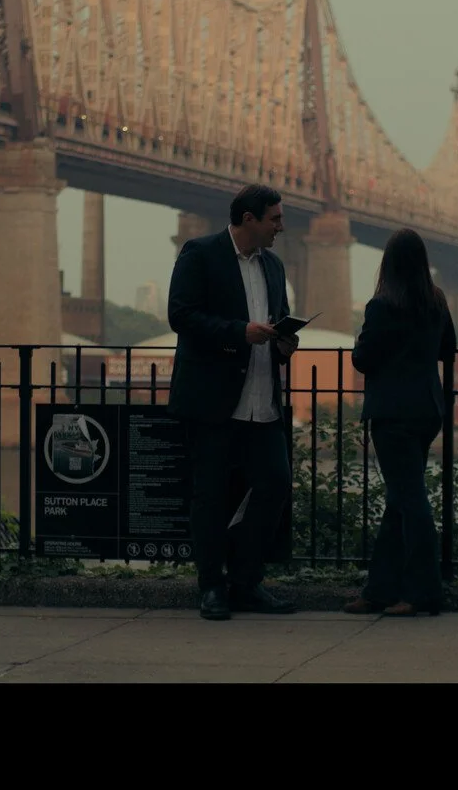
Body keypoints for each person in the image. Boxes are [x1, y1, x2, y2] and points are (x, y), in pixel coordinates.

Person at [167, 184, 300, 620]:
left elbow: (277, 321)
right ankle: (211, 587)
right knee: (208, 496)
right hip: (214, 401)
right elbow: (181, 316)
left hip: (263, 401)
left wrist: (284, 342)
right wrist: (237, 332)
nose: (281, 227)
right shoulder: (200, 254)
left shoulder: (275, 266)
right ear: (249, 219)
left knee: (275, 484)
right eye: (275, 219)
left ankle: (246, 580)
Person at [344, 228, 456, 617]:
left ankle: (425, 593)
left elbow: (362, 359)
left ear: (387, 263)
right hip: (428, 411)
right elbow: (448, 349)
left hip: (392, 415)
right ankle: (379, 590)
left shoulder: (382, 305)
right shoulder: (436, 301)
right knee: (400, 500)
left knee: (410, 500)